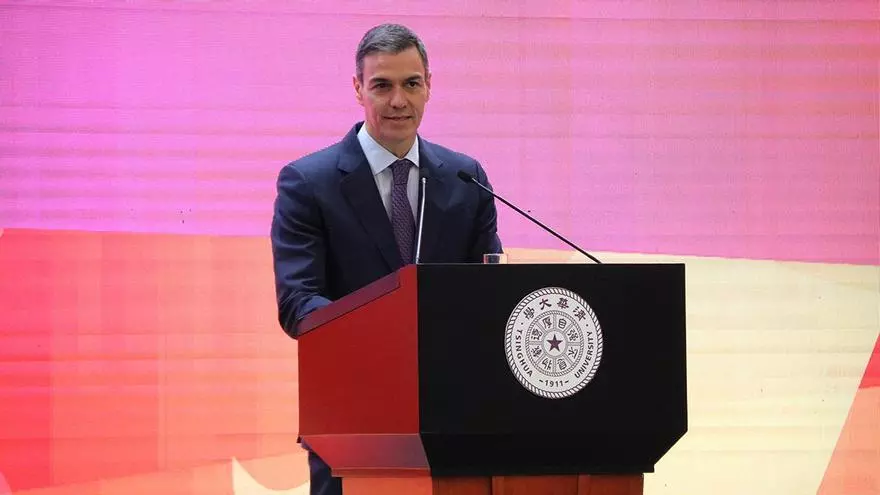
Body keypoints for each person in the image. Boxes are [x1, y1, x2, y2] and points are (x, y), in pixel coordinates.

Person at [270, 23, 503, 495]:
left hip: (454, 421)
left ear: (429, 86)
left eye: (411, 83)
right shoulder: (308, 183)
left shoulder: (465, 178)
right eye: (382, 85)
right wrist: (385, 333)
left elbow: (489, 295)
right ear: (358, 88)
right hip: (354, 425)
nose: (399, 101)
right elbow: (298, 303)